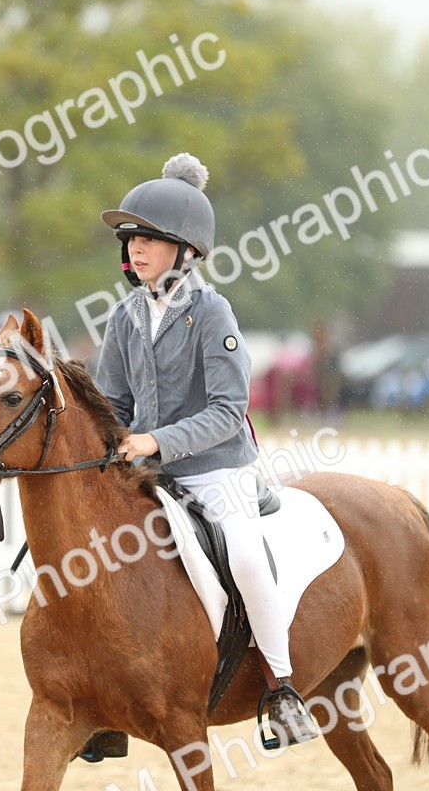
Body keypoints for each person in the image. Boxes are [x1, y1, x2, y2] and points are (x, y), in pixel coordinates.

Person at [90, 153, 318, 759]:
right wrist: (106, 439)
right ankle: (102, 704)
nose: (136, 249)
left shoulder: (211, 312)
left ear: (185, 250)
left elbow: (226, 409)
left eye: (150, 239)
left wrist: (154, 440)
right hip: (152, 472)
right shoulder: (126, 315)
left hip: (221, 469)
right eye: (131, 237)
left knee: (244, 553)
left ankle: (281, 687)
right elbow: (111, 399)